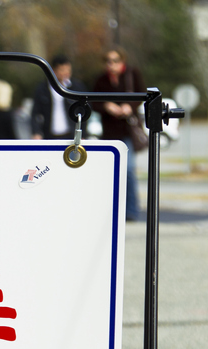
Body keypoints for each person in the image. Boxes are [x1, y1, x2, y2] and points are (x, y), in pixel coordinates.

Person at [91, 47, 145, 220]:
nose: (111, 64)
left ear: (122, 61)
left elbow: (143, 94)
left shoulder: (131, 74)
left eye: (115, 60)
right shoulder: (101, 80)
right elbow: (92, 101)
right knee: (110, 172)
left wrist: (130, 105)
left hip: (127, 130)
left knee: (128, 170)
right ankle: (112, 211)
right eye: (108, 61)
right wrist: (107, 106)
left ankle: (132, 210)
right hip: (109, 132)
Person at [31, 55, 87, 140]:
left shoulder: (77, 87)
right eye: (62, 70)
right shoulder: (42, 89)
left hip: (71, 135)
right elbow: (36, 113)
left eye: (68, 70)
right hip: (49, 135)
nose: (66, 73)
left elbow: (84, 111)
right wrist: (36, 132)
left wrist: (83, 134)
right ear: (53, 71)